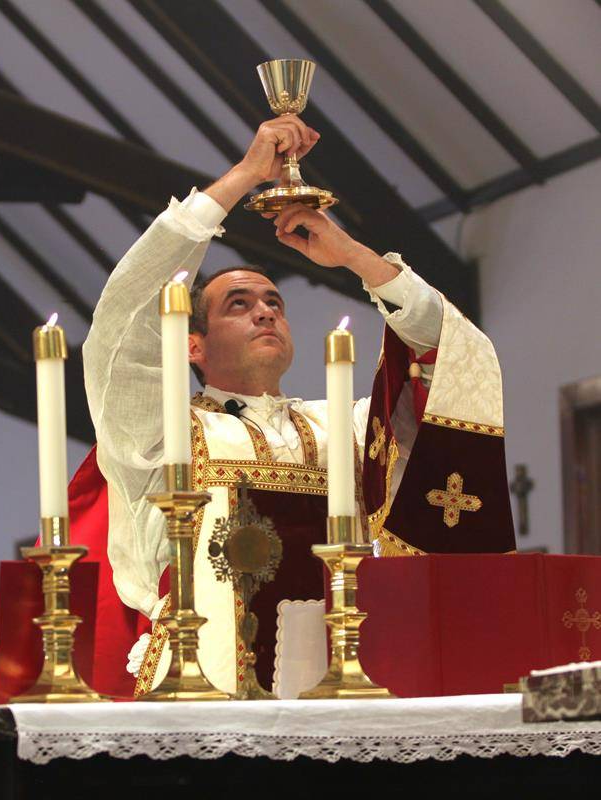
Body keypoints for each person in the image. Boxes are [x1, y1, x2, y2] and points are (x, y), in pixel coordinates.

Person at [81, 114, 515, 697]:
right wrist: (240, 179)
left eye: (274, 302)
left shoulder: (348, 427)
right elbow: (122, 323)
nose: (265, 312)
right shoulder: (161, 436)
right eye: (239, 303)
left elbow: (454, 360)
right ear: (193, 342)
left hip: (348, 685)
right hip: (201, 691)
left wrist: (358, 258)